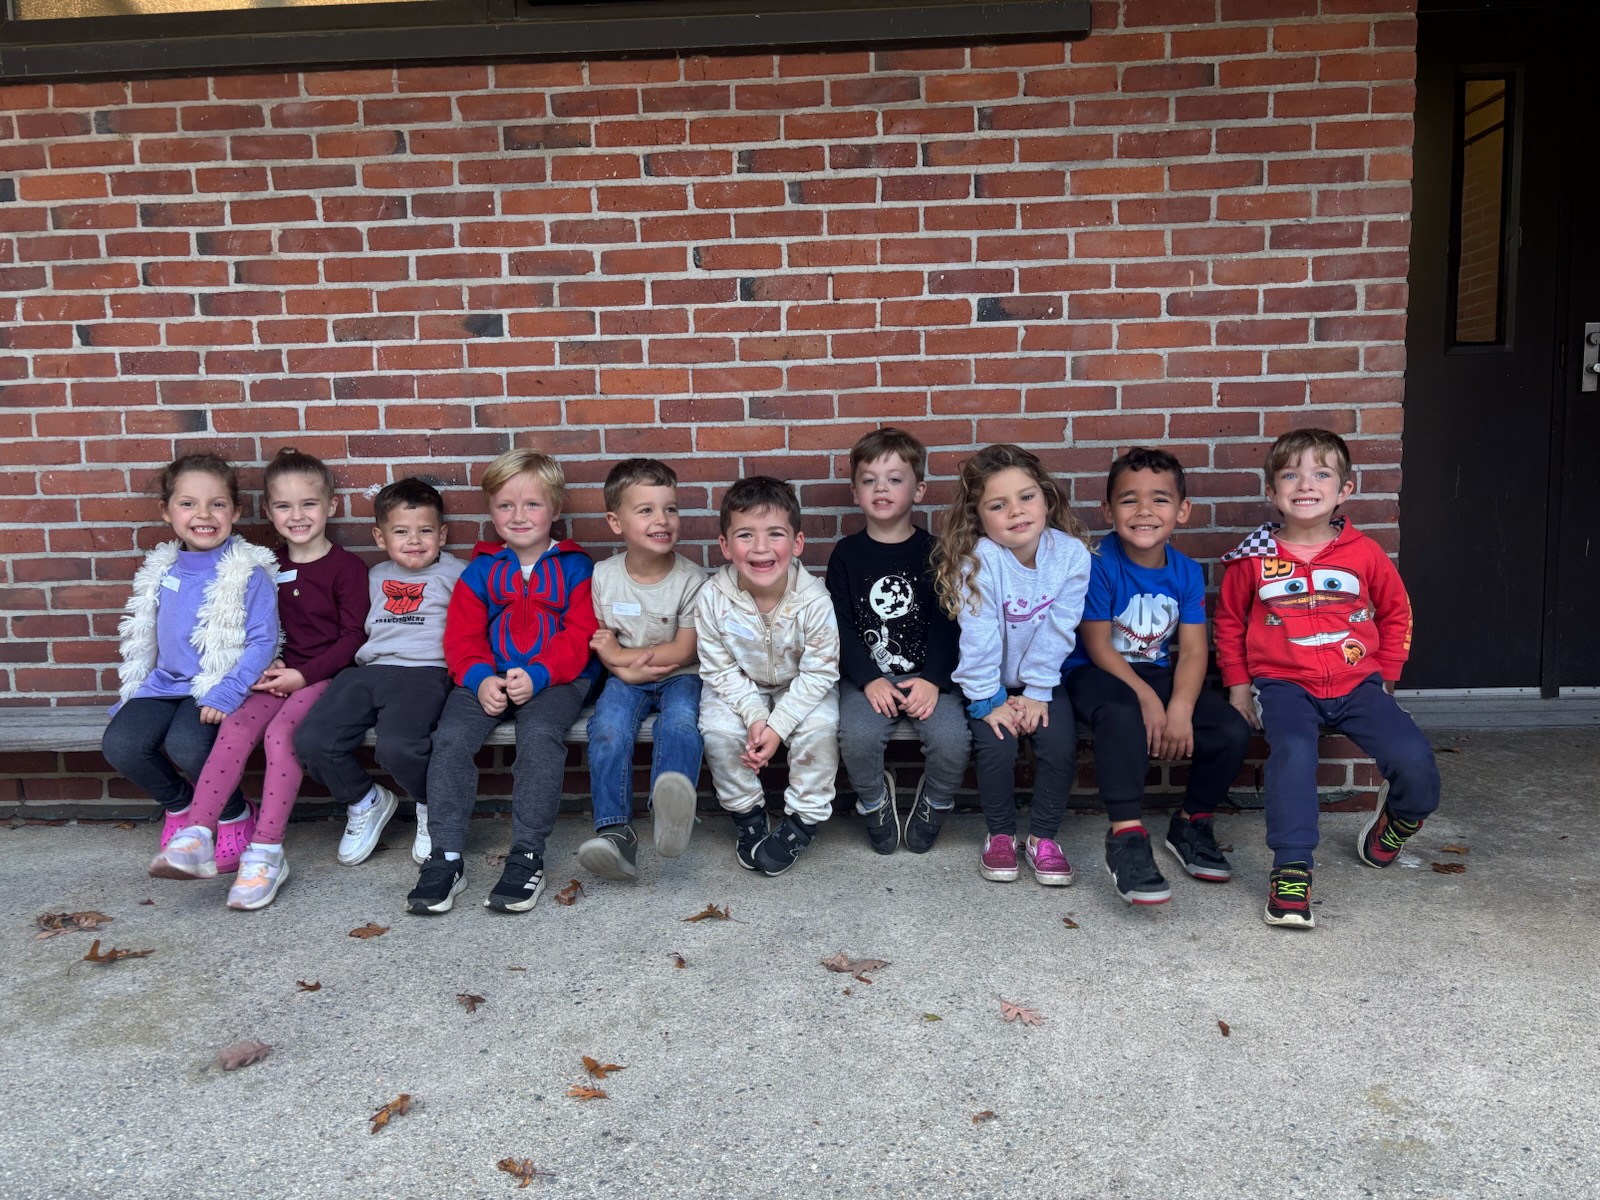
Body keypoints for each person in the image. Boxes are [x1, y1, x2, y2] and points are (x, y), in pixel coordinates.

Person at [1214, 428, 1441, 930]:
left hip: (1358, 684)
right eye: (1290, 474)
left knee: (1415, 759)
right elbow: (1229, 624)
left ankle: (1399, 819)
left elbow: (1397, 612)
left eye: (1321, 473)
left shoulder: (1364, 554)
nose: (1305, 483)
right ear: (1271, 492)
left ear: (1345, 491)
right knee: (1293, 754)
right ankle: (1292, 869)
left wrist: (1387, 676)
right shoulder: (1253, 559)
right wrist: (1237, 685)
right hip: (1283, 685)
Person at [148, 448, 368, 909]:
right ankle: (198, 834)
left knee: (281, 735)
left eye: (308, 504)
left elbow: (353, 639)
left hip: (326, 677)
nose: (298, 515)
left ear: (330, 505)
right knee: (238, 725)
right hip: (274, 676)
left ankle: (267, 851)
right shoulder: (264, 565)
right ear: (268, 512)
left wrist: (302, 674)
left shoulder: (347, 569)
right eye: (284, 506)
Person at [405, 449, 598, 915]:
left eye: (532, 504)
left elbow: (582, 634)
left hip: (557, 680)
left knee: (540, 736)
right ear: (491, 512)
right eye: (505, 505)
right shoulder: (482, 570)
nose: (518, 516)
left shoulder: (577, 568)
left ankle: (528, 853)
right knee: (449, 739)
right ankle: (445, 856)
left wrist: (539, 674)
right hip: (486, 677)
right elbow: (462, 636)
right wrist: (478, 678)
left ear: (555, 509)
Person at [1062, 448, 1251, 906]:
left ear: (1182, 511)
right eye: (1129, 500)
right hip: (1093, 671)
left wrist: (1181, 708)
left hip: (1158, 671)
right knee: (1124, 712)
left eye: (1160, 500)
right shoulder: (1097, 562)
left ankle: (1192, 823)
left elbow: (1190, 651)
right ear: (1108, 510)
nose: (1144, 511)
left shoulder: (1185, 571)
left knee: (1229, 728)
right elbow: (1098, 645)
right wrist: (1149, 699)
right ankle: (1126, 836)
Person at [101, 453, 278, 876]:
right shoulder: (161, 569)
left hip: (215, 683)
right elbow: (147, 637)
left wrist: (229, 690)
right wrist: (136, 691)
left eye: (217, 504)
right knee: (121, 744)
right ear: (167, 511)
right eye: (188, 504)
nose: (203, 515)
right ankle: (181, 807)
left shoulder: (249, 573)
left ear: (235, 511)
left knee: (188, 744)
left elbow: (263, 641)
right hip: (164, 683)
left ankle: (234, 813)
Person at [934, 444, 1091, 886]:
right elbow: (979, 637)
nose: (1016, 512)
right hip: (987, 682)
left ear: (1047, 498)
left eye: (1026, 497)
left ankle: (1043, 838)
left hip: (1043, 679)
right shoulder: (979, 560)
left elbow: (1061, 627)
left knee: (1059, 746)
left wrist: (1038, 692)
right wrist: (989, 702)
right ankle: (1000, 834)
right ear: (979, 517)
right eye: (998, 505)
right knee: (997, 746)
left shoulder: (1071, 555)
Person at [294, 477, 465, 871]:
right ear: (379, 536)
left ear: (442, 533)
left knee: (399, 747)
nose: (414, 540)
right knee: (312, 739)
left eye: (425, 531)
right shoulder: (370, 577)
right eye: (401, 532)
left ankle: (430, 805)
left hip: (426, 672)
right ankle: (364, 800)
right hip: (367, 670)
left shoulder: (459, 574)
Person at [825, 427, 968, 855]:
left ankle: (936, 800)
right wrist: (868, 678)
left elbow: (950, 623)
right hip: (867, 678)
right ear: (855, 491)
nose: (880, 488)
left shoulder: (937, 552)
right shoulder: (846, 554)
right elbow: (841, 625)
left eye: (894, 478)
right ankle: (873, 801)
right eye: (869, 480)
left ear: (918, 490)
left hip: (929, 677)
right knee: (856, 738)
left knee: (952, 741)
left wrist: (935, 680)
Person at [697, 476, 840, 877]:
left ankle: (802, 822)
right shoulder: (712, 597)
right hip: (740, 685)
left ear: (796, 543)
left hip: (802, 686)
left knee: (821, 728)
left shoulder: (814, 599)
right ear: (725, 546)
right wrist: (755, 717)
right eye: (745, 535)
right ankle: (748, 815)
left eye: (774, 534)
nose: (760, 548)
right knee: (719, 731)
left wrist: (776, 727)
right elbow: (718, 668)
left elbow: (820, 672)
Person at [580, 458, 705, 881]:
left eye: (670, 508)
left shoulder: (691, 579)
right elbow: (601, 643)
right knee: (607, 729)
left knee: (682, 723)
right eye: (646, 510)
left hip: (682, 676)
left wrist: (622, 660)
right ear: (616, 522)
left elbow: (684, 649)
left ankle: (671, 814)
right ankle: (615, 832)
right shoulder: (604, 576)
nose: (662, 519)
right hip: (624, 681)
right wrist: (621, 668)